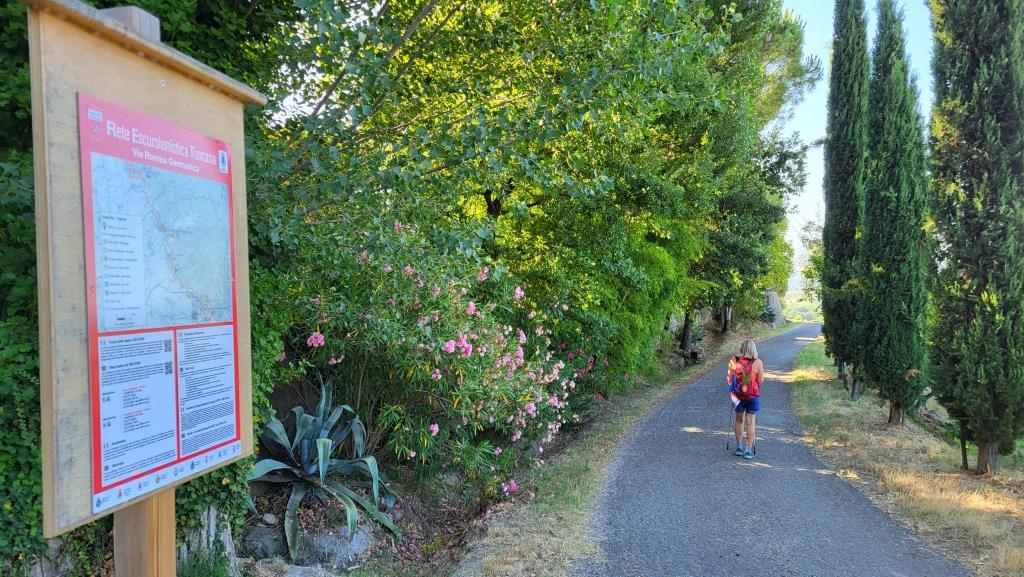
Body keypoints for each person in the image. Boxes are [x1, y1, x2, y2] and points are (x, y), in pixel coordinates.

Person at [730, 339, 764, 460]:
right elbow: (760, 380)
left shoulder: (734, 360)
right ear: (753, 349)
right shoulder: (758, 362)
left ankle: (739, 447)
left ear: (742, 348)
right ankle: (748, 450)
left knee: (739, 420)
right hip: (752, 396)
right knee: (750, 423)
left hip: (738, 396)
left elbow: (730, 379)